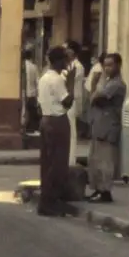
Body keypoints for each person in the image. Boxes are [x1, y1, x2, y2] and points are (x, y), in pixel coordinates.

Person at [37, 46, 76, 217]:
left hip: (45, 119)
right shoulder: (57, 80)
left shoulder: (44, 78)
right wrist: (72, 82)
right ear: (59, 61)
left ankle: (47, 200)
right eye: (65, 60)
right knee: (58, 163)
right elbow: (67, 102)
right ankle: (50, 201)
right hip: (57, 121)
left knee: (47, 162)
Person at [86, 53, 126, 203]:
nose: (107, 68)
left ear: (118, 66)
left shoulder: (117, 84)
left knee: (106, 162)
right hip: (99, 126)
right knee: (95, 160)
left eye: (110, 65)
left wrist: (96, 88)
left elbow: (98, 98)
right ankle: (97, 189)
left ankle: (105, 192)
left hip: (108, 127)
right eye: (105, 65)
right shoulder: (107, 82)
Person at [63, 40, 86, 166]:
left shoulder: (77, 66)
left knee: (71, 131)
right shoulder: (69, 65)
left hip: (72, 101)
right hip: (68, 100)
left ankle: (71, 160)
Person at [22, 48, 41, 135]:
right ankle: (31, 130)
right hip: (32, 94)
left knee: (23, 113)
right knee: (32, 114)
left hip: (22, 93)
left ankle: (24, 129)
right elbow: (38, 82)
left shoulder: (21, 67)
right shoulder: (33, 67)